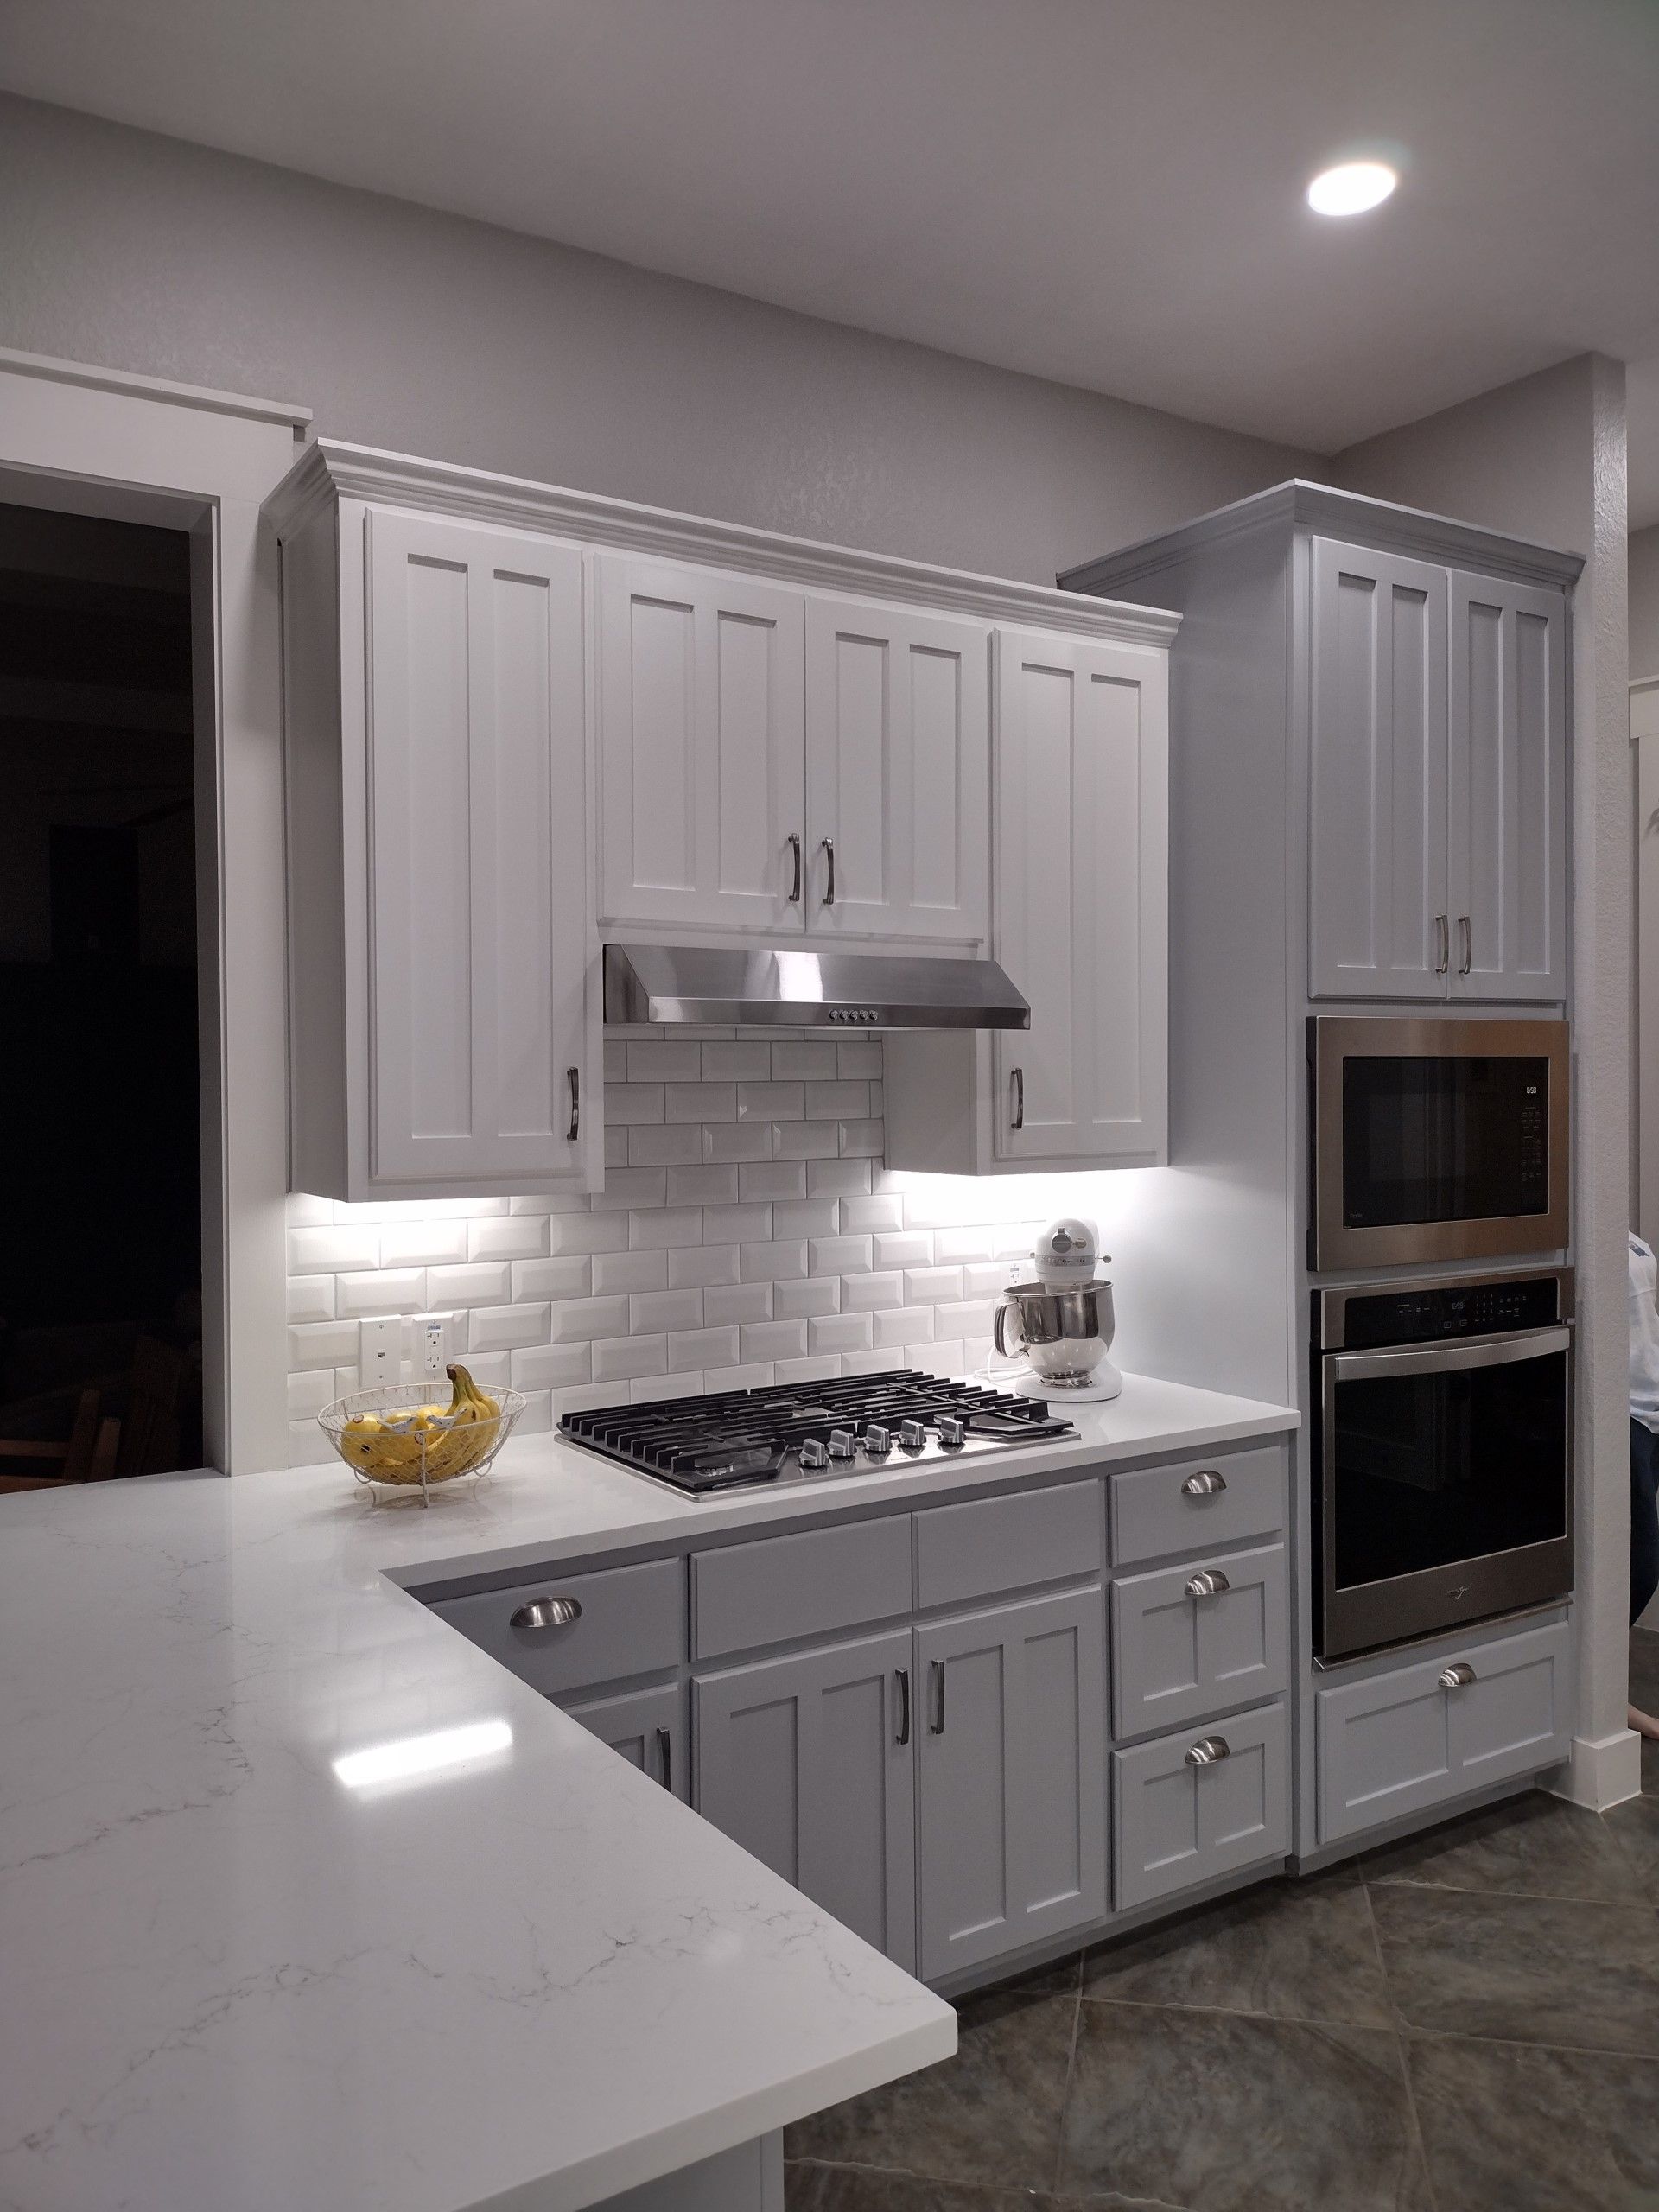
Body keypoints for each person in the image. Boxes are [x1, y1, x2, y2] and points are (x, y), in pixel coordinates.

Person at [1629, 1232, 1659, 1738]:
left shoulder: (1633, 1242)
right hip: (1624, 1416)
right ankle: (1605, 1697)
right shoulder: (1584, 1241)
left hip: (1653, 1414)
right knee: (1641, 1566)